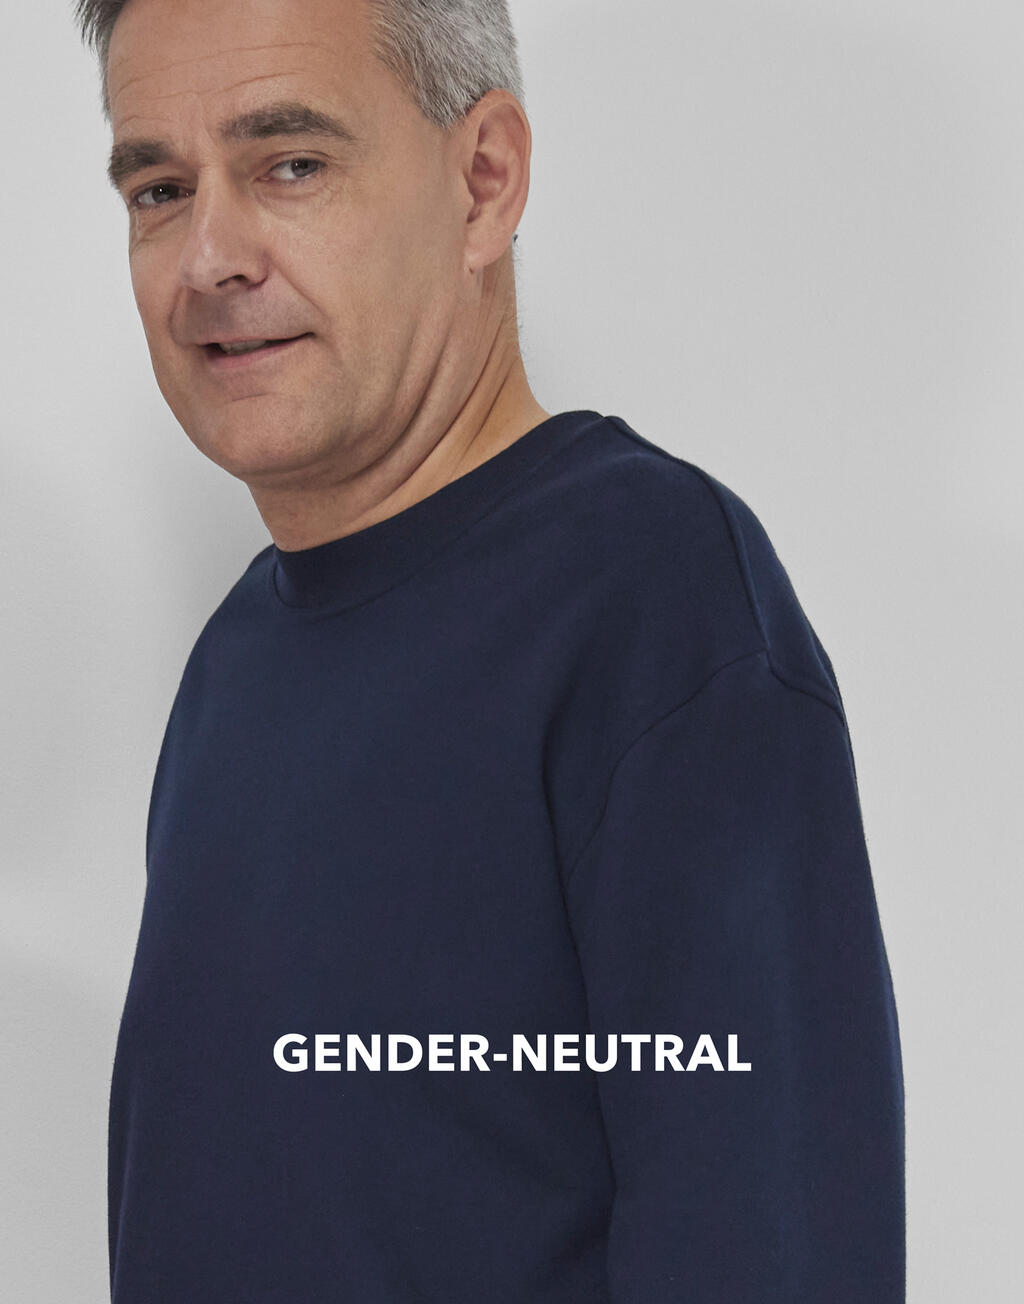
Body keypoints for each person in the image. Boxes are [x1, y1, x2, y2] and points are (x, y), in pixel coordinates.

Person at [75, 0, 905, 1299]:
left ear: (484, 181)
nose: (209, 258)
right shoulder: (236, 656)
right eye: (161, 190)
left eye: (291, 163)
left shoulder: (652, 600)